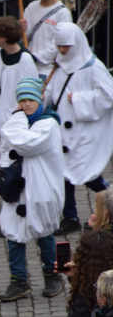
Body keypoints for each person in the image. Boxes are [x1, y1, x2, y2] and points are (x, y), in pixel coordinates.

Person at [0, 78, 65, 301]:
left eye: (30, 100)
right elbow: (8, 149)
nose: (26, 105)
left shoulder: (48, 124)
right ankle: (19, 280)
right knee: (13, 232)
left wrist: (16, 117)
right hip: (19, 190)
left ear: (39, 101)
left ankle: (53, 274)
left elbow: (24, 143)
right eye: (22, 101)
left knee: (44, 231)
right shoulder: (22, 123)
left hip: (41, 189)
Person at [46, 22, 113, 236]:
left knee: (87, 174)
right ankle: (70, 217)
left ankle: (111, 206)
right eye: (60, 46)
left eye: (66, 46)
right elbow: (52, 92)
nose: (63, 50)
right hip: (63, 134)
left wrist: (80, 99)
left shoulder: (93, 67)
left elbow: (108, 96)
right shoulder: (59, 66)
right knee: (63, 173)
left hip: (84, 134)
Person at [0, 16, 39, 163]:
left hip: (15, 123)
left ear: (3, 37)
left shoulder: (25, 60)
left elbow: (32, 94)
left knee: (13, 163)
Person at [21, 0, 71, 77]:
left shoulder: (63, 13)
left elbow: (60, 43)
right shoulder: (31, 7)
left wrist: (37, 57)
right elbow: (26, 36)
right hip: (29, 68)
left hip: (50, 70)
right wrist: (21, 30)